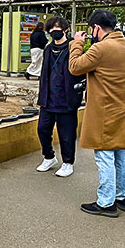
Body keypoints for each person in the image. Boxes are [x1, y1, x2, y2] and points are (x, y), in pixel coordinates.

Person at [68, 10, 125, 218]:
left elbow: (75, 67)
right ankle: (122, 197)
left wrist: (76, 43)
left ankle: (106, 203)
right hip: (123, 108)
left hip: (104, 111)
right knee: (121, 154)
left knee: (104, 156)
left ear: (97, 28)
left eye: (91, 30)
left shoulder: (100, 48)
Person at [35, 17, 84, 177]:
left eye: (57, 28)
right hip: (49, 99)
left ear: (65, 29)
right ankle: (49, 157)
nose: (54, 31)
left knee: (67, 134)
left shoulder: (72, 46)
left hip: (67, 99)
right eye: (51, 28)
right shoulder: (48, 48)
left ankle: (68, 163)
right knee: (42, 129)